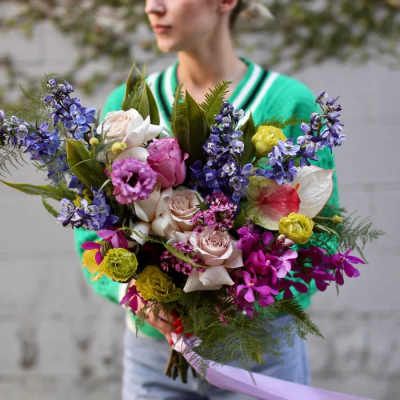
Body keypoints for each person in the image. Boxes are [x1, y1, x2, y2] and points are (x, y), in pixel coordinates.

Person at [74, 0, 340, 398]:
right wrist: (137, 296)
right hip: (154, 355)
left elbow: (323, 233)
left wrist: (251, 295)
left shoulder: (287, 103)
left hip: (258, 353)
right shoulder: (126, 110)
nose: (153, 7)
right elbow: (92, 232)